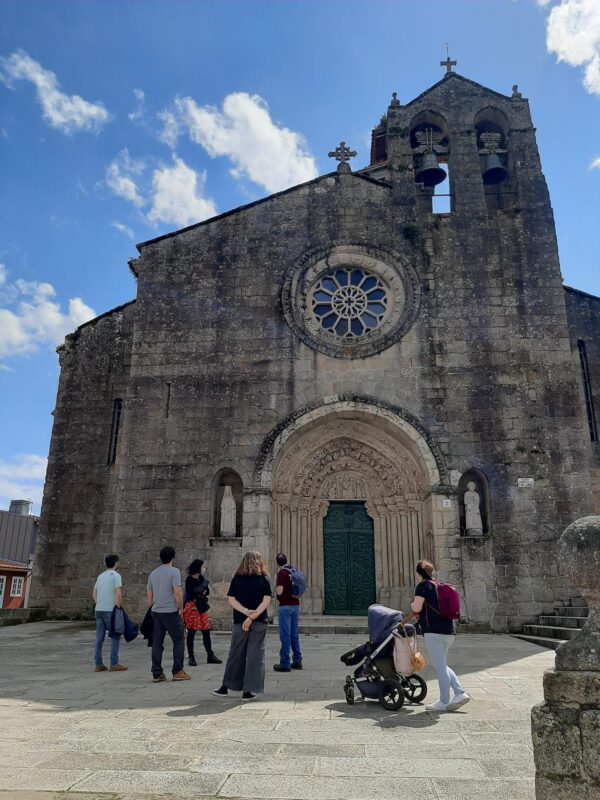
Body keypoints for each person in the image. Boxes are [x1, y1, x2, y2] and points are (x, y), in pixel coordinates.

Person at [404, 560, 470, 713]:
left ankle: (444, 701)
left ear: (419, 573)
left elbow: (417, 607)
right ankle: (460, 693)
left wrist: (413, 605)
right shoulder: (438, 586)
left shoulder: (423, 587)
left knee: (440, 666)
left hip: (434, 631)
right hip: (448, 631)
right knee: (443, 664)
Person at [212, 551, 272, 701]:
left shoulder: (237, 579)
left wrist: (245, 613)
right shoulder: (263, 579)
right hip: (258, 622)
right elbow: (266, 601)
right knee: (255, 655)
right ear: (259, 562)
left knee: (235, 653)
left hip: (240, 621)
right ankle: (248, 691)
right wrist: (252, 616)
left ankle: (225, 687)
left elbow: (231, 600)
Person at [146, 546, 190, 683]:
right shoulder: (174, 572)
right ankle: (177, 670)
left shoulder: (153, 573)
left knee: (157, 643)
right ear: (172, 557)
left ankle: (157, 673)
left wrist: (152, 607)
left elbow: (149, 594)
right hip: (170, 611)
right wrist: (181, 607)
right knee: (178, 640)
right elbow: (177, 591)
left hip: (156, 611)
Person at [183, 559, 222, 666]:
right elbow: (190, 594)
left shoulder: (202, 578)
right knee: (191, 631)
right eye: (202, 567)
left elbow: (207, 591)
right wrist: (200, 590)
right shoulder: (189, 579)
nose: (204, 568)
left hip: (201, 606)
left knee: (206, 630)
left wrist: (202, 590)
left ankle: (210, 655)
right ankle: (191, 657)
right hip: (192, 607)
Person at [92, 554, 127, 672]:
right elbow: (118, 593)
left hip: (99, 609)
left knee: (99, 638)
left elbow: (94, 594)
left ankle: (98, 664)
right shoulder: (116, 576)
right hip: (110, 610)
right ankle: (114, 663)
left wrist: (99, 603)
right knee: (115, 635)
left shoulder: (100, 576)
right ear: (116, 563)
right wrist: (118, 607)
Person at [273, 552, 302, 672]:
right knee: (294, 634)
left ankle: (285, 663)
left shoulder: (282, 573)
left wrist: (275, 589)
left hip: (285, 607)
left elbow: (279, 591)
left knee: (285, 635)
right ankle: (297, 660)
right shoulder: (293, 570)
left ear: (277, 563)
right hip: (295, 605)